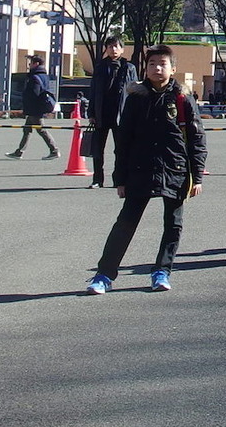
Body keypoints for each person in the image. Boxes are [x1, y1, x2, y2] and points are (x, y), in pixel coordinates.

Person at [83, 43, 206, 294]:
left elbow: (197, 139)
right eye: (152, 64)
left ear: (173, 68)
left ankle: (162, 270)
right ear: (145, 68)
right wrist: (120, 177)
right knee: (126, 222)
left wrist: (198, 175)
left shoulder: (182, 97)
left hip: (176, 169)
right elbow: (123, 141)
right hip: (140, 169)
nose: (156, 68)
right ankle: (104, 274)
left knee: (173, 224)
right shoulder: (136, 97)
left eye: (162, 64)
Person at [85, 36, 137, 189]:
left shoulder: (129, 67)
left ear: (122, 49)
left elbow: (134, 91)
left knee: (120, 149)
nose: (113, 49)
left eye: (116, 46)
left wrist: (134, 113)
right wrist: (91, 113)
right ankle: (97, 179)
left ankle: (119, 180)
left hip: (122, 114)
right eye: (110, 46)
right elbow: (93, 91)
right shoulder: (100, 67)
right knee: (97, 150)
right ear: (106, 49)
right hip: (102, 112)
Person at [9, 54, 59, 159]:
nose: (29, 65)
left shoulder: (35, 77)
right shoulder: (44, 75)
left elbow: (33, 94)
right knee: (27, 129)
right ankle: (19, 151)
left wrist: (27, 106)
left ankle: (54, 150)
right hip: (38, 108)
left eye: (30, 63)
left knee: (41, 129)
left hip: (35, 109)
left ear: (36, 64)